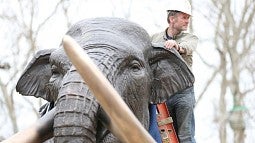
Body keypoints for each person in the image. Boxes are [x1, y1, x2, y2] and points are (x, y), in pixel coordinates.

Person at [150, 0, 198, 142]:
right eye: (184, 17)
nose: (187, 21)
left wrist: (176, 46)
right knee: (167, 138)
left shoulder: (190, 38)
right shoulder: (155, 39)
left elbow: (187, 47)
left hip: (184, 93)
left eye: (188, 18)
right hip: (164, 95)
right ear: (172, 19)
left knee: (185, 136)